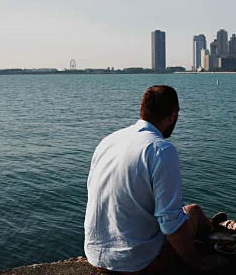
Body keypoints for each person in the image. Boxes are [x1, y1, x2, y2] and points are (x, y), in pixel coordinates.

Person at [84, 85, 225, 273]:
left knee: (187, 213)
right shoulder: (161, 150)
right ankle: (219, 234)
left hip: (95, 256)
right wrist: (196, 263)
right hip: (137, 264)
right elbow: (170, 222)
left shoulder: (108, 141)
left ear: (142, 110)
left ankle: (213, 227)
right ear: (174, 114)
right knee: (194, 212)